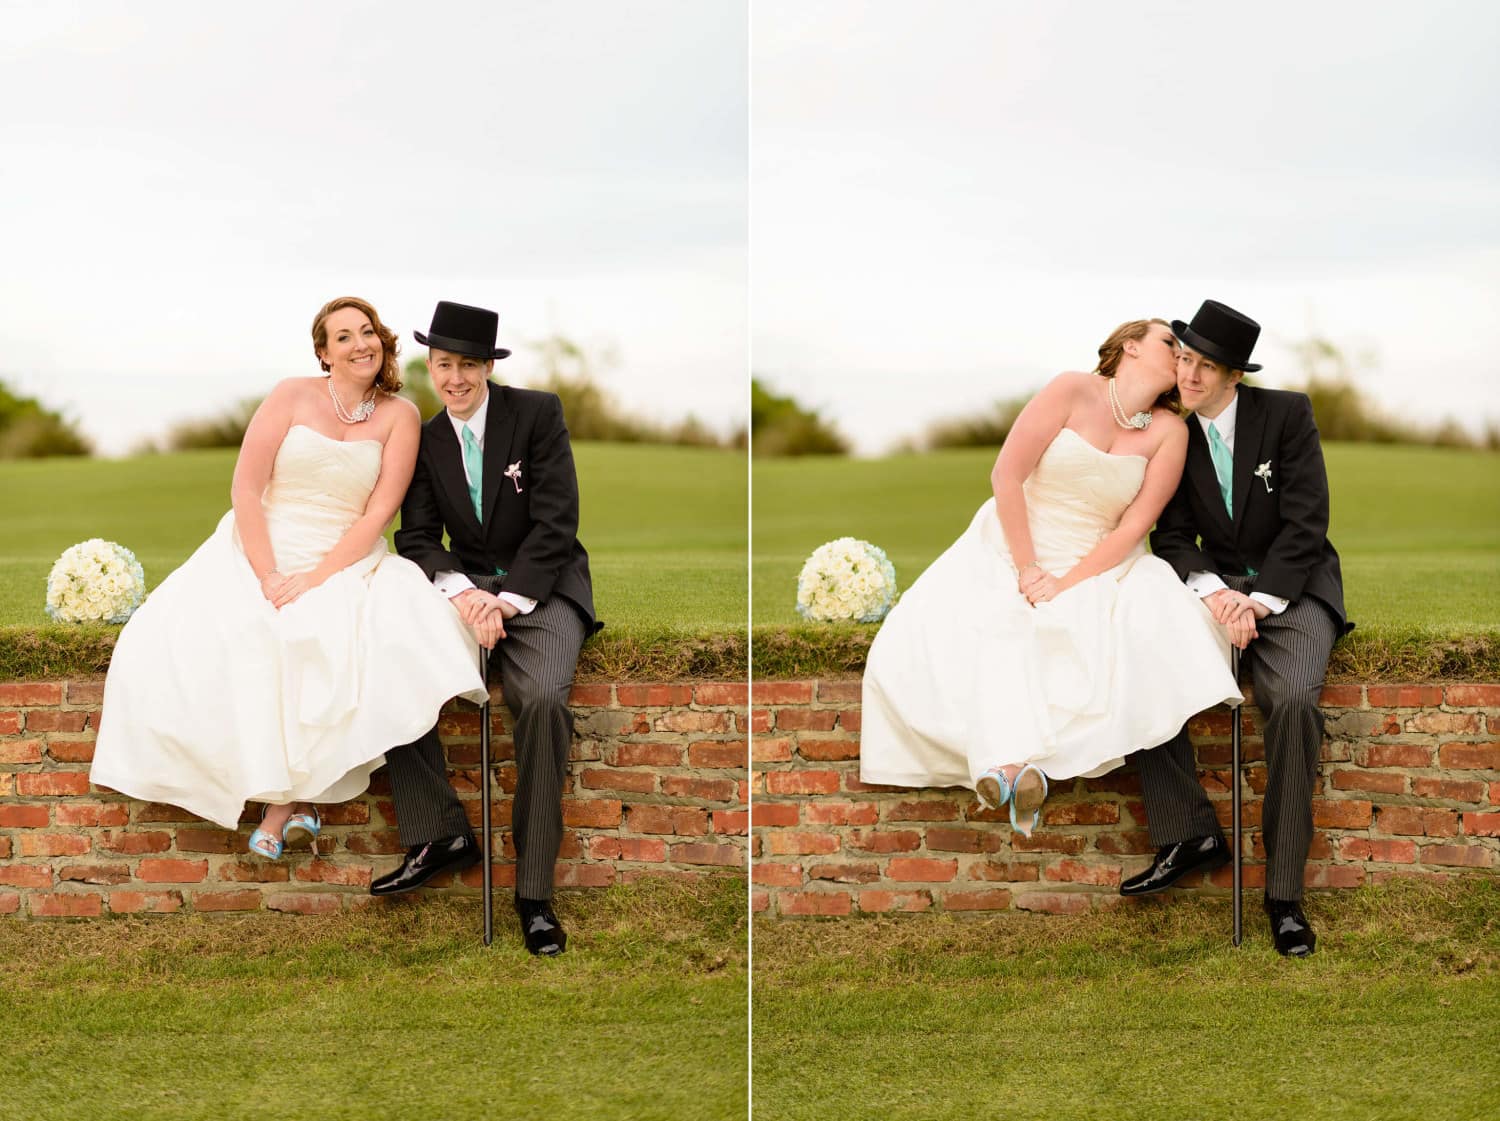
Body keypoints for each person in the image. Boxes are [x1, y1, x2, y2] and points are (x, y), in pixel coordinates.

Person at [91, 297, 489, 855]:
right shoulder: (290, 395)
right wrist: (269, 574)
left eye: (367, 332)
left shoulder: (400, 415)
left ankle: (285, 804)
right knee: (241, 631)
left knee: (328, 628)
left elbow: (379, 512)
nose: (360, 344)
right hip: (262, 544)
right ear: (323, 353)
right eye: (343, 336)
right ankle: (292, 802)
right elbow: (246, 490)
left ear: (384, 341)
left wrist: (320, 576)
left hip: (345, 553)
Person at [860, 318, 1243, 836]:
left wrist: (1068, 584)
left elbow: (1135, 525)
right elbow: (1006, 475)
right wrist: (1029, 570)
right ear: (1130, 346)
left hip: (1096, 559)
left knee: (1094, 627)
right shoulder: (1071, 389)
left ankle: (1018, 768)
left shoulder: (1170, 431)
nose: (1181, 356)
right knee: (997, 625)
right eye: (1169, 343)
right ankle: (1008, 765)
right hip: (1015, 543)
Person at [1120, 300, 1352, 959]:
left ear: (1233, 375)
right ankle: (1189, 832)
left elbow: (1307, 524)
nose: (1187, 375)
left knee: (1293, 699)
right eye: (1185, 359)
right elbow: (1170, 535)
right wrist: (1219, 593)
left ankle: (1284, 896)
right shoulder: (1172, 430)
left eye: (1204, 366)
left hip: (1296, 584)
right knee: (1144, 661)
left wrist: (1263, 600)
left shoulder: (1288, 415)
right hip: (1215, 589)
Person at [368, 300, 598, 958]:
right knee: (397, 666)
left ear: (488, 367)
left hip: (545, 587)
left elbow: (557, 524)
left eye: (468, 364)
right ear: (431, 367)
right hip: (465, 594)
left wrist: (510, 600)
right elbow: (415, 535)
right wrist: (468, 594)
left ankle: (534, 895)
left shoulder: (538, 414)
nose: (456, 378)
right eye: (444, 364)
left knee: (543, 697)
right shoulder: (426, 438)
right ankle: (441, 831)